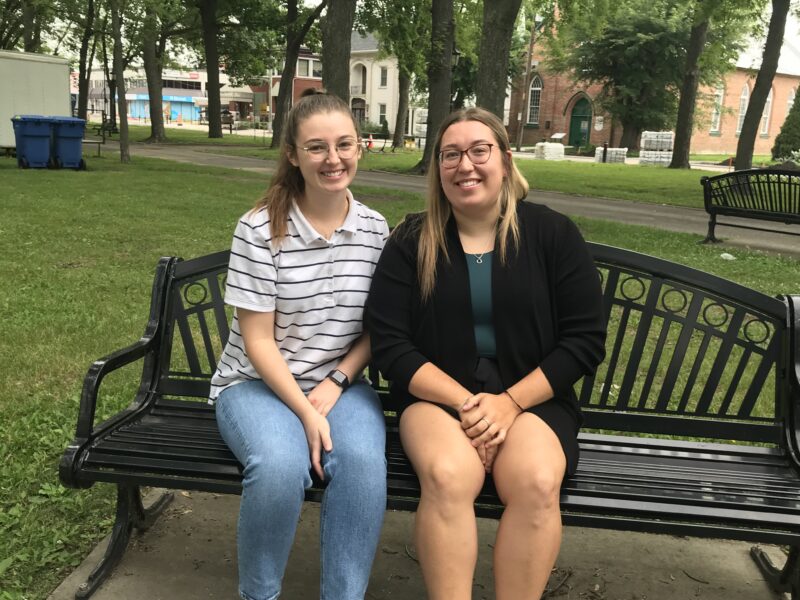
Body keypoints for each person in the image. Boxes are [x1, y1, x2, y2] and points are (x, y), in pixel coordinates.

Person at [366, 107, 606, 599]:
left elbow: (584, 341)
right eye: (450, 155)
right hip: (437, 399)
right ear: (437, 168)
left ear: (505, 159)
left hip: (534, 400)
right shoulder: (412, 241)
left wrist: (509, 403)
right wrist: (470, 405)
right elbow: (391, 345)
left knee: (538, 481)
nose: (465, 165)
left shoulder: (551, 235)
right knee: (448, 474)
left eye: (479, 151)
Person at [209, 90, 390, 600]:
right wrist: (307, 414)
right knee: (280, 467)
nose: (333, 159)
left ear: (361, 147)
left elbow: (379, 329)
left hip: (341, 384)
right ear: (292, 154)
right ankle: (259, 595)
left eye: (344, 145)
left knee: (361, 464)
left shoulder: (375, 230)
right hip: (254, 384)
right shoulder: (259, 228)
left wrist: (337, 381)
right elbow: (258, 341)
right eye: (316, 148)